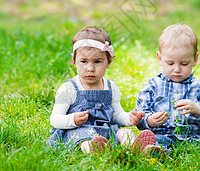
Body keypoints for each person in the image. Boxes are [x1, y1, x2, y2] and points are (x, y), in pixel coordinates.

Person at [47, 26, 158, 154]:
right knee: (86, 138)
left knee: (125, 132)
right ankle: (97, 151)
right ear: (74, 61)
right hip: (79, 131)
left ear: (109, 62)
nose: (90, 68)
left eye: (97, 62)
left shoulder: (111, 87)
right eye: (84, 61)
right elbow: (55, 119)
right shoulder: (69, 88)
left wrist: (129, 119)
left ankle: (134, 149)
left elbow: (116, 115)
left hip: (105, 130)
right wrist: (72, 120)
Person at [136, 23, 200, 152]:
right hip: (162, 136)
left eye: (184, 63)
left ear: (195, 59)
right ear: (160, 59)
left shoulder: (197, 86)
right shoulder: (152, 86)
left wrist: (197, 109)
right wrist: (150, 120)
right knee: (154, 141)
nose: (177, 69)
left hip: (192, 139)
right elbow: (139, 116)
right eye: (170, 63)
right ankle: (155, 152)